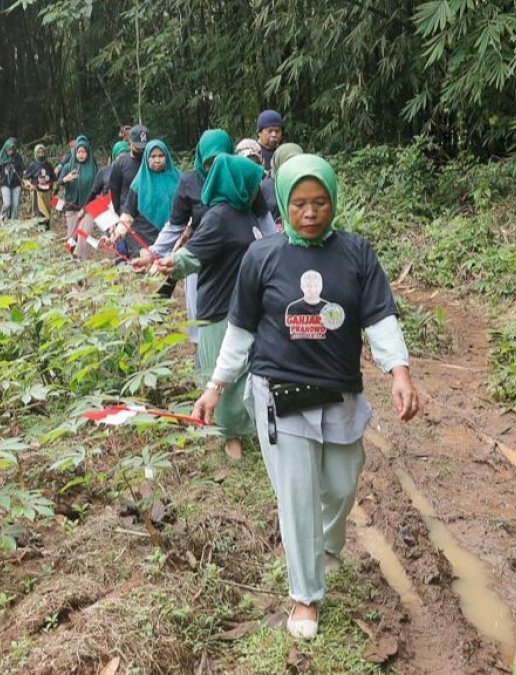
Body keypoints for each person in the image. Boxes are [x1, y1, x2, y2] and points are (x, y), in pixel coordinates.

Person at [192, 154, 420, 640]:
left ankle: (327, 548)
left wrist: (399, 372)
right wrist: (215, 387)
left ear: (333, 201)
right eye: (298, 204)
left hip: (339, 393)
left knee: (340, 484)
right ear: (284, 203)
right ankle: (305, 597)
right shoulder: (263, 257)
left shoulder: (357, 254)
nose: (310, 213)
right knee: (297, 499)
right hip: (279, 394)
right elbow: (240, 332)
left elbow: (380, 319)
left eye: (319, 203)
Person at [155, 154, 265, 460]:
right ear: (238, 183)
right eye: (255, 182)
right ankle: (230, 436)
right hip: (220, 306)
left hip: (245, 305)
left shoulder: (245, 213)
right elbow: (193, 253)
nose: (260, 188)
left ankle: (247, 426)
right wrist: (170, 262)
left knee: (246, 369)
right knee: (224, 374)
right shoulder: (220, 215)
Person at [137, 129, 234, 356]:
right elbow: (175, 225)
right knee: (200, 317)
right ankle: (203, 363)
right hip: (197, 258)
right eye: (209, 162)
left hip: (233, 258)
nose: (214, 168)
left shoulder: (237, 178)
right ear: (201, 159)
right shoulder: (189, 182)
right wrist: (153, 253)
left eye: (221, 160)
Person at [115, 139, 180, 257]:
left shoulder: (179, 180)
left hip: (173, 240)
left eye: (161, 156)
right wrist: (119, 232)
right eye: (153, 156)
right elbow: (128, 213)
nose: (157, 160)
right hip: (144, 241)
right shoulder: (138, 184)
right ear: (146, 158)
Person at [60, 138, 97, 257]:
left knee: (85, 233)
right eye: (78, 152)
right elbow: (57, 183)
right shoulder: (67, 167)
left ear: (88, 153)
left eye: (83, 152)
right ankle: (71, 258)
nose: (81, 155)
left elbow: (98, 185)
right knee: (72, 236)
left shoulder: (93, 167)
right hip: (72, 206)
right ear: (75, 153)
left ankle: (81, 259)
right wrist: (66, 179)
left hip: (88, 207)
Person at [109, 125, 147, 215]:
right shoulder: (120, 164)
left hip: (147, 214)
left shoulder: (150, 162)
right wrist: (118, 212)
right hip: (127, 213)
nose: (141, 150)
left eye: (143, 147)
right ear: (130, 143)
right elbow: (115, 191)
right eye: (138, 147)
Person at [262, 143, 304, 224]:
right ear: (278, 161)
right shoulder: (264, 188)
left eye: (297, 161)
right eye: (288, 162)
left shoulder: (308, 184)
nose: (293, 166)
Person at [0, 138, 25, 224]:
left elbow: (23, 170)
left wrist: (26, 180)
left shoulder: (18, 157)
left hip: (16, 184)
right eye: (9, 150)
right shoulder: (1, 158)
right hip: (5, 183)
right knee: (7, 203)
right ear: (5, 149)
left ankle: (13, 222)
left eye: (13, 149)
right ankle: (2, 219)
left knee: (15, 205)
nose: (11, 152)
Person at [25, 145, 55, 229]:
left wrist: (53, 189)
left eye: (42, 152)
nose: (41, 154)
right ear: (35, 153)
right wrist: (30, 186)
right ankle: (40, 232)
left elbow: (53, 179)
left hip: (47, 193)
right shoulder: (33, 165)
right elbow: (25, 179)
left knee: (47, 214)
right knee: (39, 214)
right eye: (39, 152)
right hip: (37, 193)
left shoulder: (48, 165)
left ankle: (47, 232)